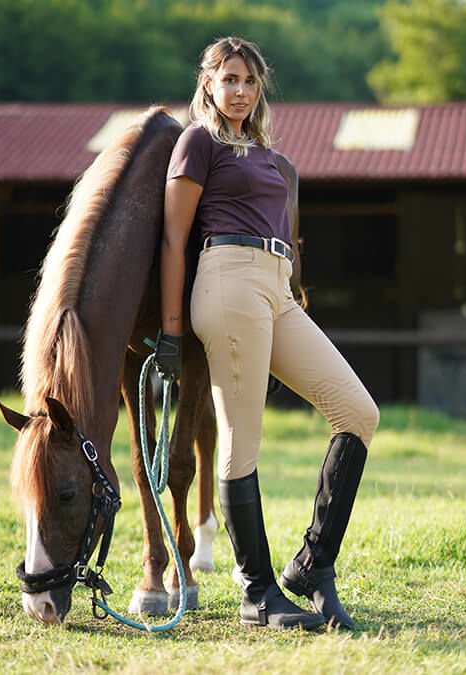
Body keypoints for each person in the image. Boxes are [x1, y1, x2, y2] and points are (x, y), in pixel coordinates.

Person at [153, 37, 380, 631]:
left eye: (250, 81)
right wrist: (172, 332)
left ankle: (311, 565)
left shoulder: (262, 150)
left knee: (358, 412)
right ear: (209, 84)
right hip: (226, 282)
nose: (241, 91)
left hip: (275, 287)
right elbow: (174, 238)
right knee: (240, 440)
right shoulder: (197, 142)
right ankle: (257, 593)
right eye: (229, 79)